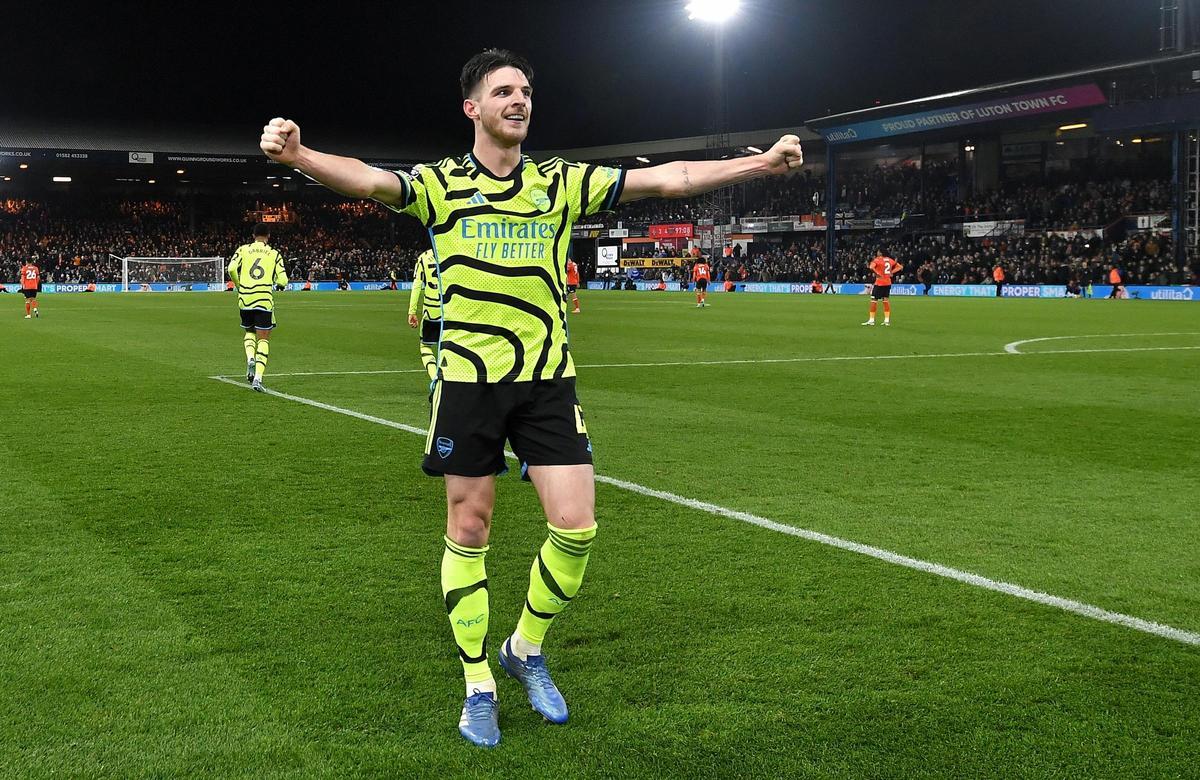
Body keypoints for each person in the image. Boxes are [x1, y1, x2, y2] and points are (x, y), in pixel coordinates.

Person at [259, 47, 803, 749]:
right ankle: (478, 681)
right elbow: (368, 180)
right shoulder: (442, 183)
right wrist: (301, 155)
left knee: (576, 526)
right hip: (469, 382)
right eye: (504, 91)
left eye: (525, 91)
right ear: (473, 108)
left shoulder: (562, 183)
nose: (519, 100)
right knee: (471, 528)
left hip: (548, 378)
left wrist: (756, 164)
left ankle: (524, 647)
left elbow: (668, 178)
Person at [227, 223, 289, 392]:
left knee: (249, 332)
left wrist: (240, 286)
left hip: (245, 298)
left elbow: (231, 268)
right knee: (263, 339)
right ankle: (258, 378)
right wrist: (278, 284)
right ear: (268, 236)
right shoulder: (274, 254)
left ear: (253, 235)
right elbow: (283, 280)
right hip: (263, 299)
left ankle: (250, 359)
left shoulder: (243, 249)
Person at [408, 249, 439, 380]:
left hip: (432, 311)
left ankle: (435, 380)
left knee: (425, 346)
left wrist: (412, 311)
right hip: (452, 310)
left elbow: (417, 285)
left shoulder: (424, 257)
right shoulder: (453, 252)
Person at [863, 250, 903, 326]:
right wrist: (892, 272)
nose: (877, 253)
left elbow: (871, 267)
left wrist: (876, 273)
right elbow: (900, 267)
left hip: (879, 283)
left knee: (874, 300)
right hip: (888, 282)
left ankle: (871, 320)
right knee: (885, 300)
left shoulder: (877, 260)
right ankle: (886, 321)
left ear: (881, 253)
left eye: (878, 252)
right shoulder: (890, 260)